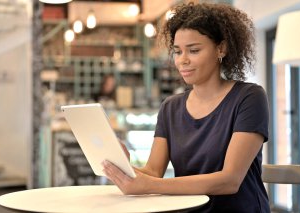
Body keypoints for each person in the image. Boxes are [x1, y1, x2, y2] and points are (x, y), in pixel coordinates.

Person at [102, 2, 270, 212]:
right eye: (178, 51)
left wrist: (150, 185)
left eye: (194, 50)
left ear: (221, 48)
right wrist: (122, 168)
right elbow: (153, 172)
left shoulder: (249, 98)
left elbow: (230, 180)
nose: (183, 60)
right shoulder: (170, 107)